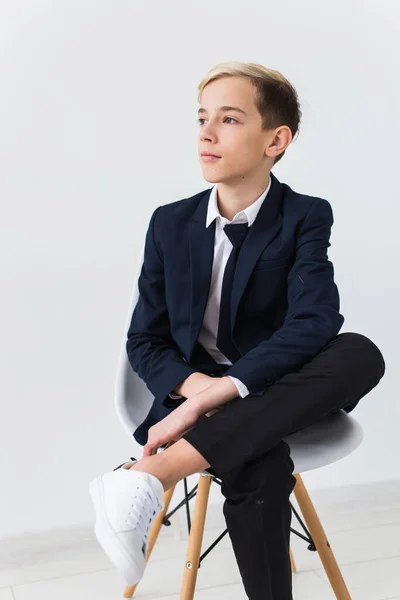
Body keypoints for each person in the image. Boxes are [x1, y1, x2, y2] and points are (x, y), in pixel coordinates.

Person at [89, 61, 385, 599]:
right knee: (257, 460)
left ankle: (151, 474)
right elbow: (145, 341)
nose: (205, 133)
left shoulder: (305, 216)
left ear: (277, 139)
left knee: (360, 353)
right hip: (192, 390)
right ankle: (164, 465)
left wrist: (232, 390)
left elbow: (315, 322)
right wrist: (202, 393)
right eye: (202, 118)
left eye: (228, 119)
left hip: (275, 381)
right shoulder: (170, 223)